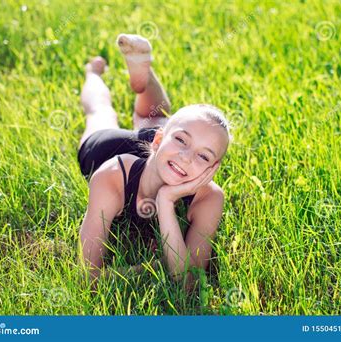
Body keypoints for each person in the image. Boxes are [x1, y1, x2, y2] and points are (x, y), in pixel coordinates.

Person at [77, 33, 231, 289]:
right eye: (183, 140)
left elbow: (189, 282)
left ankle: (144, 75)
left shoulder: (210, 197)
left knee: (158, 118)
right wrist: (157, 267)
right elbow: (86, 277)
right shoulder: (110, 176)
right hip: (110, 150)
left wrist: (166, 201)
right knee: (101, 111)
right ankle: (93, 73)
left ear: (213, 169)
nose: (187, 156)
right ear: (157, 142)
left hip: (162, 155)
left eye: (204, 155)